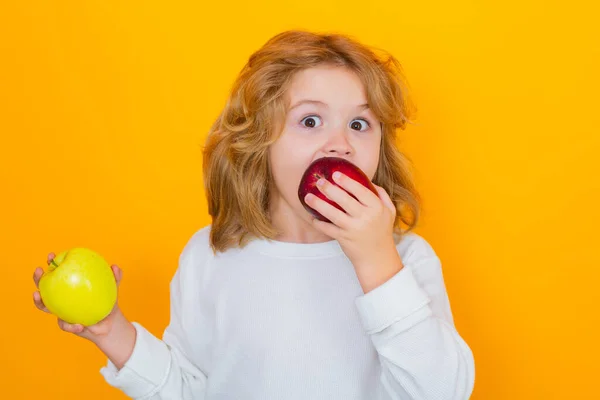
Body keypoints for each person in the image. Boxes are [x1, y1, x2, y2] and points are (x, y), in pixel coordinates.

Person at [32, 29, 475, 399]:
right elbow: (189, 389)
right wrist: (111, 331)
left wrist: (377, 262)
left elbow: (441, 392)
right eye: (310, 121)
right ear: (259, 142)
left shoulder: (406, 262)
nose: (340, 143)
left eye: (359, 124)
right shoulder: (211, 258)